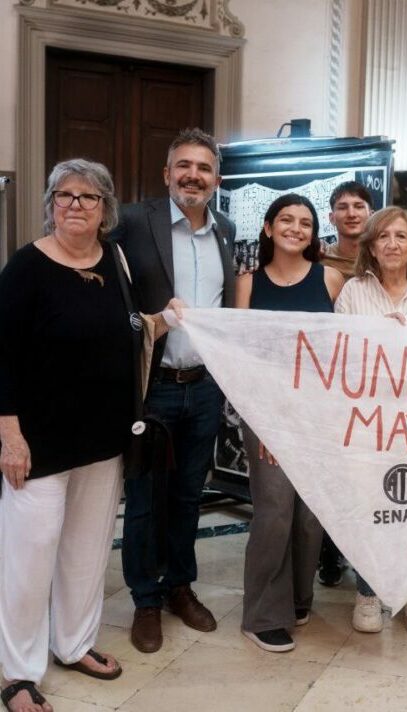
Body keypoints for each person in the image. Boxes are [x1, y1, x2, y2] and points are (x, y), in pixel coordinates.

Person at [0, 159, 173, 712]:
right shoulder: (26, 267)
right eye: (64, 195)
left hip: (104, 438)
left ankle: (73, 643)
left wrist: (165, 320)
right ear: (51, 203)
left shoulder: (116, 259)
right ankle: (18, 672)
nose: (75, 204)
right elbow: (1, 358)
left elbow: (130, 330)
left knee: (85, 552)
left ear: (105, 209)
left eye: (88, 197)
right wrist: (10, 436)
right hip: (39, 444)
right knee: (29, 560)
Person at [111, 128, 236, 654]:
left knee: (189, 495)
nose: (193, 175)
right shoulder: (132, 222)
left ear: (216, 179)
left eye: (203, 168)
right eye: (183, 166)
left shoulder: (227, 230)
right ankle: (145, 598)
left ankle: (179, 587)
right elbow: (111, 301)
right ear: (167, 174)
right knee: (143, 500)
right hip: (152, 387)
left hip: (203, 387)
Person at [335, 206, 407, 638]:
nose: (391, 244)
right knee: (372, 509)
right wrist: (375, 335)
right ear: (370, 245)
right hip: (369, 420)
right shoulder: (352, 293)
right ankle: (369, 592)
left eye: (400, 237)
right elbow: (341, 357)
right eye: (382, 236)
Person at [234, 193, 343, 653]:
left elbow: (355, 341)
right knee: (275, 511)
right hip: (266, 411)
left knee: (310, 514)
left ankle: (300, 598)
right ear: (268, 228)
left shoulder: (332, 279)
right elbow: (235, 354)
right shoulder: (247, 283)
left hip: (319, 413)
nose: (296, 228)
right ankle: (262, 615)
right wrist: (262, 417)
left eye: (305, 222)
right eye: (286, 220)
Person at [317, 180, 373, 587]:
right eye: (343, 206)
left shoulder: (385, 259)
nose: (351, 213)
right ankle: (327, 554)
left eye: (359, 205)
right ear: (332, 215)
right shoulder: (317, 262)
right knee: (330, 474)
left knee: (366, 476)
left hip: (375, 386)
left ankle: (364, 551)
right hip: (331, 386)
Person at [321, 181, 374, 280]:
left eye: (358, 207)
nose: (351, 214)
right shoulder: (319, 259)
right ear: (332, 218)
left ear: (371, 215)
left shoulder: (383, 257)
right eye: (342, 208)